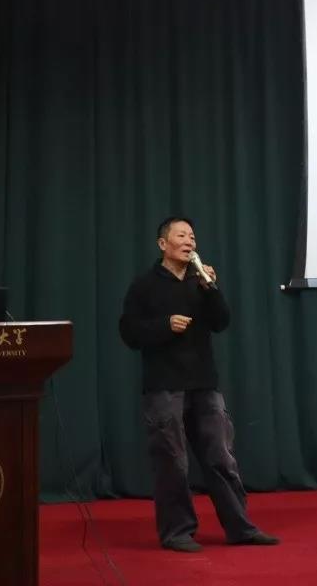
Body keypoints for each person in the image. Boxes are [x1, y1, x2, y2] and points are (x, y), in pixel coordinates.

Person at [118, 216, 280, 553]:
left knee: (221, 456)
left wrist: (211, 289)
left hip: (205, 383)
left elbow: (222, 322)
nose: (189, 241)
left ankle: (240, 527)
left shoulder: (200, 280)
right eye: (181, 236)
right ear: (163, 244)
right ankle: (177, 532)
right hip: (164, 385)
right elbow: (129, 332)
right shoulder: (145, 284)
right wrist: (164, 325)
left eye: (192, 236)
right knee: (172, 461)